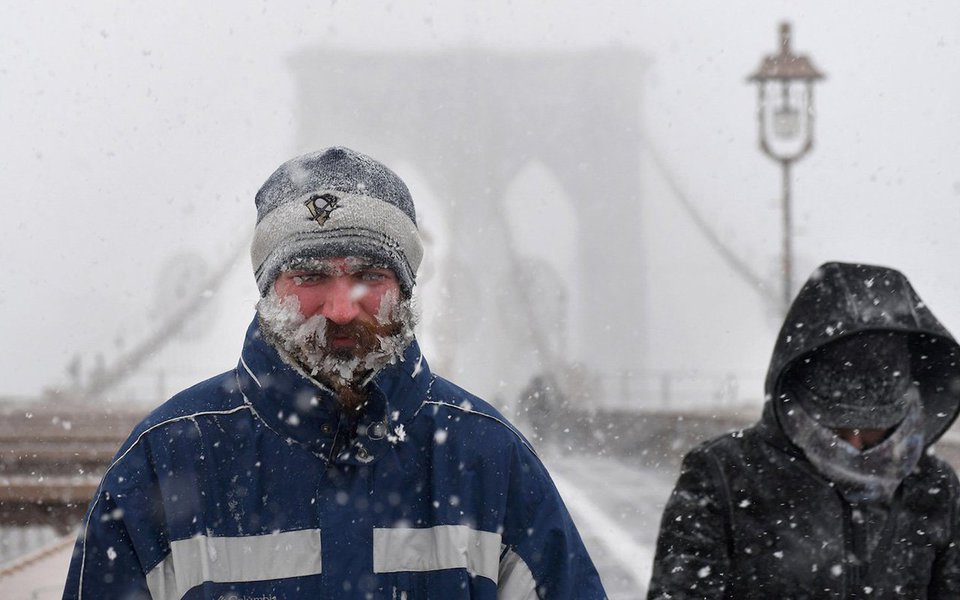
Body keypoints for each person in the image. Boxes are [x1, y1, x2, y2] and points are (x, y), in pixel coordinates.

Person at [63, 147, 606, 599]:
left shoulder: (493, 461)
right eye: (309, 276)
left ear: (406, 288)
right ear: (266, 288)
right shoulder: (162, 461)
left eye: (370, 274)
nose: (341, 309)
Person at [647, 261, 960, 599]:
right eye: (836, 423)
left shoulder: (934, 486)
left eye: (874, 426)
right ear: (798, 400)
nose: (855, 442)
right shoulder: (723, 475)